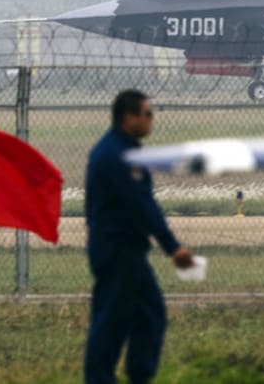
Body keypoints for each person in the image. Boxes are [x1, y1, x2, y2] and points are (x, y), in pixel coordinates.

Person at [84, 89, 194, 384]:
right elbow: (141, 205)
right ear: (128, 118)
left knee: (148, 314)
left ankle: (139, 375)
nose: (151, 120)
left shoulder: (123, 151)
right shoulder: (117, 156)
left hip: (126, 250)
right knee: (112, 320)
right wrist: (172, 247)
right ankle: (99, 378)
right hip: (117, 250)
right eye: (147, 114)